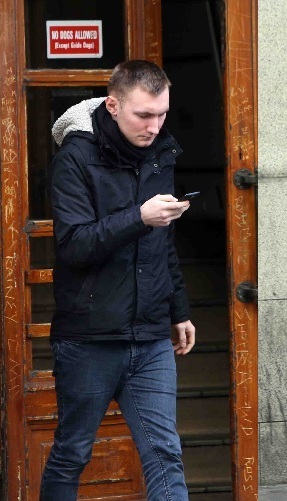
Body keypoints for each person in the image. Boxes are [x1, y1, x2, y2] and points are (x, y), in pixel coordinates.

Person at [40, 60, 195, 501]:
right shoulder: (75, 158)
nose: (154, 125)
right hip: (88, 337)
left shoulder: (161, 151)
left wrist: (178, 310)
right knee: (72, 453)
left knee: (165, 454)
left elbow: (163, 242)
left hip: (149, 337)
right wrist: (138, 218)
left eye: (162, 114)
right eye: (143, 115)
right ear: (112, 105)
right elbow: (72, 245)